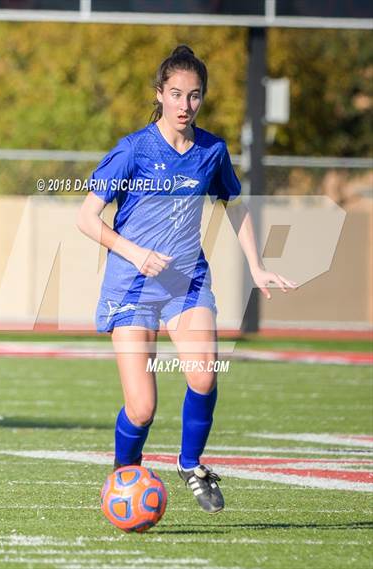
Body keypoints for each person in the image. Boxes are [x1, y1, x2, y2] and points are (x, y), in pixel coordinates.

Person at [77, 45, 297, 514]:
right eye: (175, 93)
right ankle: (124, 478)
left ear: (202, 99)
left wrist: (257, 266)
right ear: (159, 94)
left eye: (194, 96)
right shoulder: (133, 150)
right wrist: (133, 251)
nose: (185, 104)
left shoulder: (211, 151)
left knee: (203, 373)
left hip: (186, 283)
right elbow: (86, 218)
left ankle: (191, 463)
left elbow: (233, 205)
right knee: (141, 408)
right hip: (132, 286)